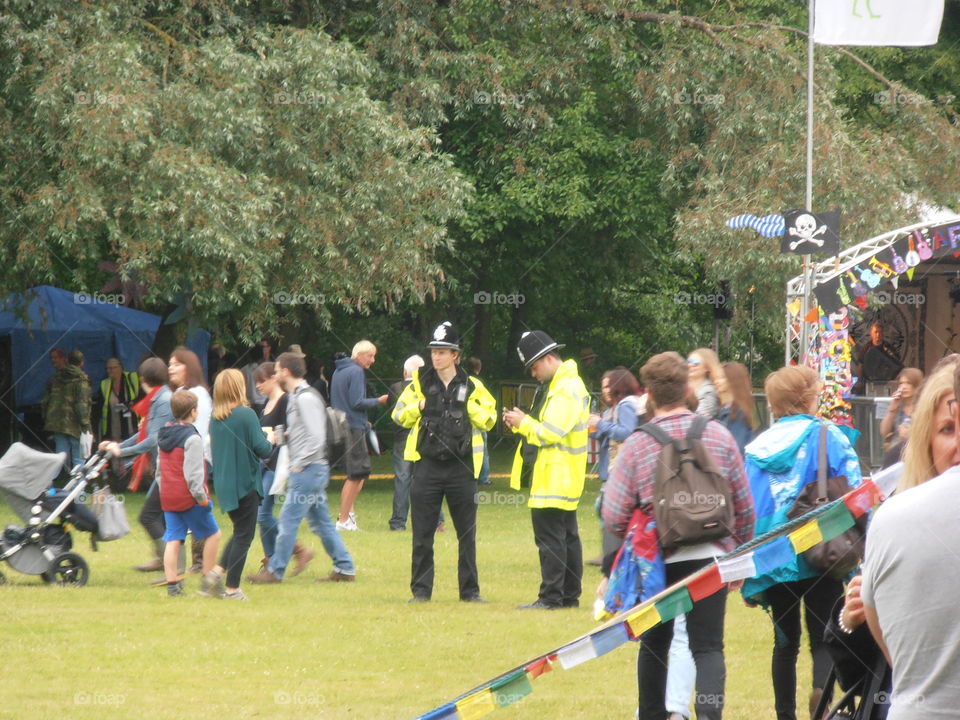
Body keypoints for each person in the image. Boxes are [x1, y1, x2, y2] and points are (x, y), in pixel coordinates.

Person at [603, 351, 754, 720]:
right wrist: (736, 556)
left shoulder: (638, 443)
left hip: (658, 559)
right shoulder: (717, 435)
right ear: (687, 388)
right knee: (708, 648)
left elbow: (613, 513)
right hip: (712, 557)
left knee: (654, 643)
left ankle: (653, 715)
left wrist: (638, 534)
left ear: (649, 394)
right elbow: (745, 505)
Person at [822, 365, 958, 719]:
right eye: (947, 429)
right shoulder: (895, 522)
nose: (958, 444)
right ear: (926, 441)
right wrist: (852, 620)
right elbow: (858, 674)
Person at [741, 365, 863, 720]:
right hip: (823, 550)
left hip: (774, 557)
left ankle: (784, 714)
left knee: (784, 643)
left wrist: (750, 570)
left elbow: (748, 509)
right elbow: (855, 489)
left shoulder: (756, 448)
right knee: (823, 635)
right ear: (810, 397)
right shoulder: (829, 436)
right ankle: (821, 701)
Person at [392, 323, 496, 602]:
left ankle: (470, 592)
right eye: (434, 352)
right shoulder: (419, 382)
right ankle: (421, 592)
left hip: (461, 467)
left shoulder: (473, 385)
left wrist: (468, 407)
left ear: (456, 356)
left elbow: (490, 418)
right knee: (422, 533)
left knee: (467, 535)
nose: (436, 357)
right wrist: (419, 407)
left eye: (443, 352)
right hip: (427, 466)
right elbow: (398, 415)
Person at [247, 352, 356, 584]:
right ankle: (345, 568)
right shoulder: (297, 396)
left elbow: (316, 436)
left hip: (308, 470)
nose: (275, 375)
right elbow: (303, 431)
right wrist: (284, 436)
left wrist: (299, 464)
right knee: (322, 523)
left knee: (287, 520)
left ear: (286, 371)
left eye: (276, 370)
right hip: (311, 469)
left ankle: (275, 572)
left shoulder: (305, 398)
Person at [504, 330, 589, 610]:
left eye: (534, 366)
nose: (533, 373)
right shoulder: (566, 385)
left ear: (549, 358)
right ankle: (568, 596)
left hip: (553, 476)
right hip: (564, 475)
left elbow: (549, 433)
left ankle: (551, 598)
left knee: (551, 540)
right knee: (567, 537)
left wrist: (522, 422)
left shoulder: (564, 389)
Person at [100, 357, 174, 572]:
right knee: (160, 517)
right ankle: (165, 560)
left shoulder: (163, 400)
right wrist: (116, 445)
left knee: (149, 516)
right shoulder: (157, 398)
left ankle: (171, 563)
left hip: (169, 469)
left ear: (143, 379)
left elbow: (153, 440)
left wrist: (120, 452)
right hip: (164, 469)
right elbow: (143, 434)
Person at [206, 369, 273, 600]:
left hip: (224, 485)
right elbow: (262, 449)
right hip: (245, 483)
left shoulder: (215, 418)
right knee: (244, 537)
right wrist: (270, 439)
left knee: (239, 532)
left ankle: (215, 574)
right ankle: (232, 589)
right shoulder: (246, 414)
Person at [156, 389, 222, 597]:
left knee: (174, 539)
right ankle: (207, 580)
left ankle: (172, 586)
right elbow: (193, 476)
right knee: (213, 534)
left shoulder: (164, 433)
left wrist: (164, 491)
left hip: (168, 496)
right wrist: (202, 499)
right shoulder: (192, 439)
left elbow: (159, 471)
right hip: (189, 497)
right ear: (193, 411)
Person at [252, 362, 309, 571]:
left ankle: (297, 550)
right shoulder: (266, 403)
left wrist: (279, 437)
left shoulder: (286, 401)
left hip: (278, 465)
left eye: (261, 381)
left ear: (274, 378)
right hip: (263, 465)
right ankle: (271, 559)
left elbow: (292, 431)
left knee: (263, 514)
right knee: (262, 514)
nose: (258, 386)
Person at [330, 340, 388, 531]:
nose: (373, 360)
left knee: (357, 473)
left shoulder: (339, 371)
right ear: (359, 355)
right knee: (356, 475)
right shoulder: (355, 371)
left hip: (343, 425)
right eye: (370, 356)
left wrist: (364, 421)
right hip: (353, 428)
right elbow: (356, 402)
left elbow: (343, 401)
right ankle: (343, 520)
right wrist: (379, 401)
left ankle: (349, 516)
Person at [587, 367, 642, 561]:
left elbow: (627, 432)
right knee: (604, 508)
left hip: (621, 469)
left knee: (606, 508)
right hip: (615, 469)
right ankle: (612, 552)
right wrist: (595, 427)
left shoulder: (626, 405)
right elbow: (608, 432)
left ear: (619, 386)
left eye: (608, 386)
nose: (604, 391)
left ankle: (613, 554)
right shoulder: (614, 408)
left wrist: (600, 424)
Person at [167, 347, 213, 572]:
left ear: (189, 367)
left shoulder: (199, 395)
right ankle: (191, 560)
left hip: (195, 458)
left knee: (197, 505)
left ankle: (199, 560)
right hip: (176, 460)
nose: (170, 368)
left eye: (176, 364)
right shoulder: (181, 393)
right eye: (170, 364)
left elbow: (199, 432)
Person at [388, 354, 431, 531]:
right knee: (427, 479)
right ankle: (435, 520)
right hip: (424, 437)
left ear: (405, 371)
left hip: (402, 437)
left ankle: (398, 521)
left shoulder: (396, 388)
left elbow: (393, 412)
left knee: (403, 479)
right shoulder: (429, 388)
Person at [42, 348, 91, 468]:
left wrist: (48, 419)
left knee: (59, 459)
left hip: (57, 424)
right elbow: (81, 404)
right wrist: (86, 426)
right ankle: (79, 486)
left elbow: (45, 402)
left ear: (67, 360)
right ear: (82, 363)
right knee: (78, 459)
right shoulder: (82, 379)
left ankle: (48, 483)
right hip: (75, 425)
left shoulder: (54, 378)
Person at [715, 361, 757, 456]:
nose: (716, 381)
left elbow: (737, 449)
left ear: (733, 380)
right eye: (717, 378)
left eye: (722, 378)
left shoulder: (738, 413)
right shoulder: (723, 410)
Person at [96, 357, 140, 443]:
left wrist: (130, 404)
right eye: (107, 368)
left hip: (132, 427)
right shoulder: (105, 383)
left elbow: (142, 396)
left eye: (112, 368)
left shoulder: (133, 378)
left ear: (120, 368)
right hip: (112, 429)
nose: (109, 370)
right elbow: (99, 408)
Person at [878, 367, 922, 451]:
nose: (904, 387)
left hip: (916, 453)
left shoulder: (923, 406)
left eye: (908, 383)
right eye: (901, 383)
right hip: (896, 453)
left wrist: (910, 434)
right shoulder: (898, 405)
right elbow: (884, 432)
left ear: (916, 384)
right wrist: (892, 410)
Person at [465, 356, 491, 486]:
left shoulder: (462, 380)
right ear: (479, 369)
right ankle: (483, 477)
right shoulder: (479, 383)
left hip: (464, 422)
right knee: (483, 450)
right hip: (479, 421)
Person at [855, 322, 902, 392]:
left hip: (886, 382)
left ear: (883, 334)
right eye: (876, 332)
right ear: (871, 334)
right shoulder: (866, 348)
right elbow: (860, 365)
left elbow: (895, 364)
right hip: (869, 381)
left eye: (880, 332)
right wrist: (859, 381)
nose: (878, 334)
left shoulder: (888, 348)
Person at [686, 348, 722, 420]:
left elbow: (701, 419)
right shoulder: (682, 387)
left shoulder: (709, 392)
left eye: (695, 363)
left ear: (707, 368)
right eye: (688, 361)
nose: (690, 365)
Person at [241, 339, 272, 415]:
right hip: (263, 401)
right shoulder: (266, 369)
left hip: (249, 402)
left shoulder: (244, 369)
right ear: (261, 354)